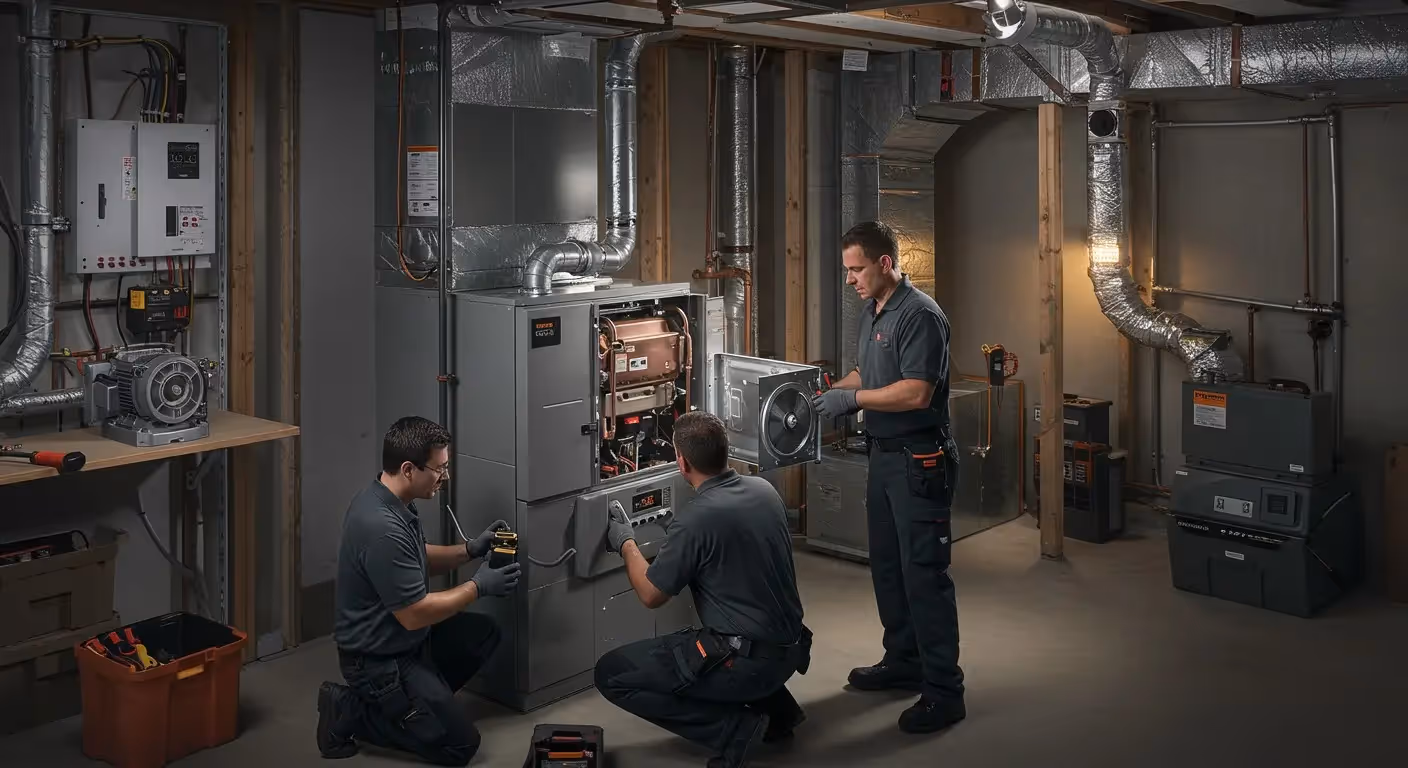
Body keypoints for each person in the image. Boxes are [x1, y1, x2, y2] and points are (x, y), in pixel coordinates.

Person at [811, 220, 965, 735]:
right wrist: (825, 395)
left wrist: (849, 400)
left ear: (884, 263)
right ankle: (904, 660)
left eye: (856, 269)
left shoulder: (919, 315)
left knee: (924, 574)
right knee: (888, 568)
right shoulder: (872, 310)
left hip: (919, 460)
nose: (850, 279)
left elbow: (916, 392)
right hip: (883, 458)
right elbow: (870, 378)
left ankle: (945, 692)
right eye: (847, 270)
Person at [595, 412, 811, 768]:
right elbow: (734, 549)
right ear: (725, 451)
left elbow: (652, 595)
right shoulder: (764, 489)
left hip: (746, 665)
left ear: (681, 461)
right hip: (790, 651)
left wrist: (627, 543)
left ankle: (732, 731)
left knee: (612, 674)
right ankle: (780, 712)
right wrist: (678, 533)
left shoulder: (697, 519)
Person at [316, 416, 522, 765]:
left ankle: (418, 706)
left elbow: (416, 557)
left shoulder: (389, 498)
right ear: (409, 469)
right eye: (439, 469)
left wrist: (469, 550)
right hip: (378, 661)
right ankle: (352, 709)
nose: (445, 477)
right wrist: (478, 586)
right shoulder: (381, 527)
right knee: (461, 746)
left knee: (485, 634)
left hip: (407, 644)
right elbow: (413, 614)